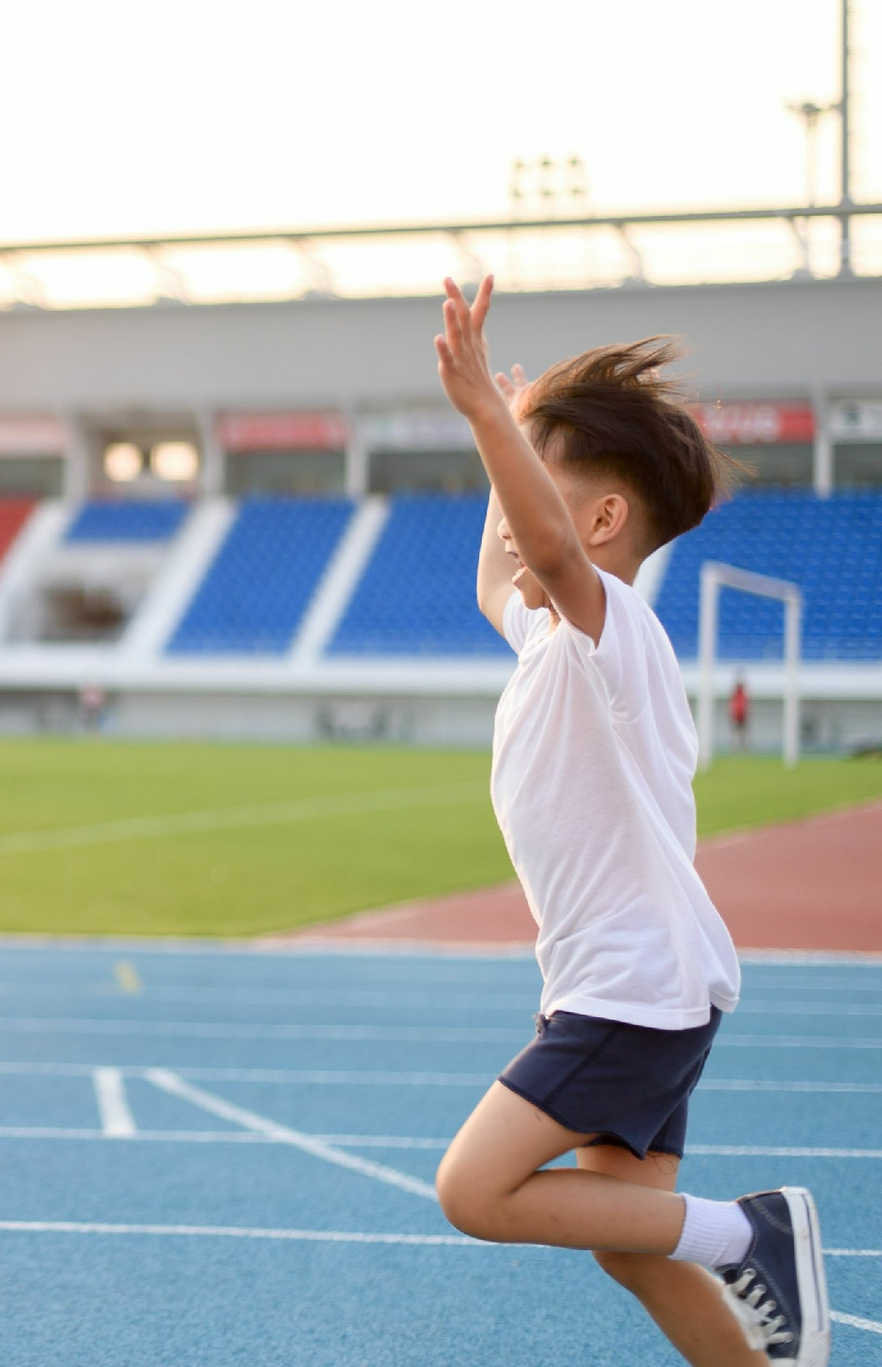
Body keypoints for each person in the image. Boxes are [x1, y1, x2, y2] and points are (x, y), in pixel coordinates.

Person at [429, 277, 828, 1366]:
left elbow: (550, 557)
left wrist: (477, 410)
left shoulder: (615, 632)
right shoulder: (552, 640)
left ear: (598, 520)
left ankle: (750, 1231)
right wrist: (508, 436)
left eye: (535, 492)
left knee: (471, 1187)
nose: (516, 525)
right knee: (628, 1240)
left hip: (629, 987)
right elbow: (491, 581)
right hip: (637, 983)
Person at [731, 672, 751, 754]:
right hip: (737, 715)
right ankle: (737, 747)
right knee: (738, 732)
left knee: (741, 732)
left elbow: (746, 704)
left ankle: (741, 747)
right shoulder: (737, 695)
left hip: (742, 715)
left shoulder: (742, 694)